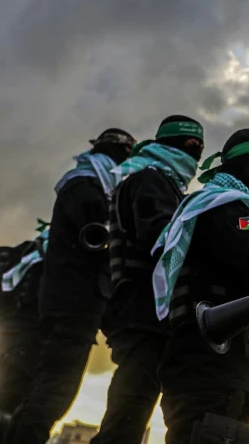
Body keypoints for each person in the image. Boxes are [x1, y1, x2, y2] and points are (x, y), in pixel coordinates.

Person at [154, 129, 249, 444]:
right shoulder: (223, 207)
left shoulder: (213, 207)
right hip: (212, 373)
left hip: (215, 371)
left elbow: (241, 288)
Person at [4, 128, 136, 444]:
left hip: (68, 307)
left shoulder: (86, 182)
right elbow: (97, 236)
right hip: (72, 308)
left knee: (36, 391)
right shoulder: (85, 186)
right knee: (54, 392)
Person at [91, 116, 206, 444]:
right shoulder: (149, 180)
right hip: (140, 313)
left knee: (134, 412)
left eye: (199, 147)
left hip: (150, 315)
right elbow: (159, 238)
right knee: (127, 414)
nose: (196, 153)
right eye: (190, 144)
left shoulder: (164, 181)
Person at [0, 223, 49, 430]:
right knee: (12, 397)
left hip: (11, 332)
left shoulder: (19, 257)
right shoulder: (45, 260)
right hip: (25, 337)